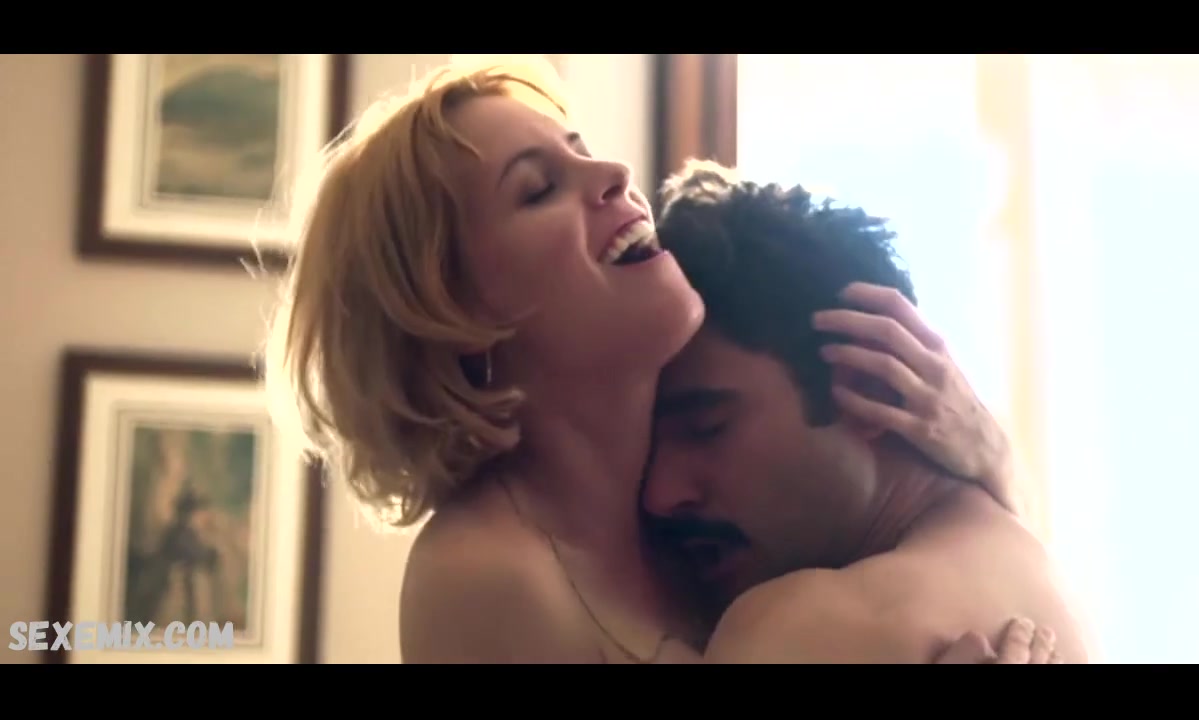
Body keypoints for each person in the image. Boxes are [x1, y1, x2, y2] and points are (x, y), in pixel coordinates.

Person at [264, 58, 1051, 664]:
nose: (615, 176)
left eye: (583, 153)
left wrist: (994, 471)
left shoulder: (700, 528)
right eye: (538, 190)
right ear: (454, 310)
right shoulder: (486, 575)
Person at [644, 160, 1091, 664]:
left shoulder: (806, 627)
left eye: (705, 428)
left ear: (871, 385)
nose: (660, 495)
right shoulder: (1056, 588)